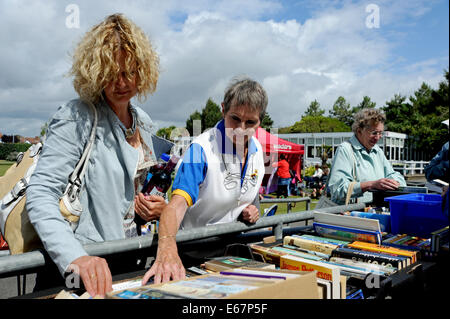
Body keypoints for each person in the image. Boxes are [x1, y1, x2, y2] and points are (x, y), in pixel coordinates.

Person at [26, 14, 169, 297]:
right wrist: (74, 257)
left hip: (129, 263)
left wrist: (155, 208)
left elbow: (130, 192)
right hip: (80, 271)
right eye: (110, 73)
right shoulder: (76, 116)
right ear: (94, 71)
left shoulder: (144, 121)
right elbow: (41, 193)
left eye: (130, 71)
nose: (122, 82)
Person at [141, 76, 267, 285]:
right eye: (234, 118)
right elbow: (177, 205)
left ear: (260, 120)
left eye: (250, 122)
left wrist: (251, 210)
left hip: (231, 253)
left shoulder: (257, 150)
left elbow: (249, 196)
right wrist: (166, 246)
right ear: (223, 109)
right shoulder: (200, 150)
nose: (241, 128)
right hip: (194, 254)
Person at [327, 108, 406, 205]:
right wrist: (371, 185)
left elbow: (395, 176)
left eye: (380, 133)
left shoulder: (377, 151)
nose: (377, 138)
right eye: (374, 133)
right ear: (359, 131)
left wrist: (395, 182)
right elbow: (337, 190)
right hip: (350, 216)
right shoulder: (345, 150)